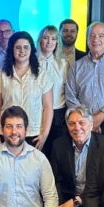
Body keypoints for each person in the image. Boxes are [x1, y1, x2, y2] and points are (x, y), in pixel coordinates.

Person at [0, 31, 53, 150]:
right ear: (11, 50)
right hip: (7, 132)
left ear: (31, 49)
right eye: (18, 47)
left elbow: (48, 107)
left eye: (26, 47)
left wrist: (44, 134)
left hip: (33, 134)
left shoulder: (42, 75)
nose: (22, 51)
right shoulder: (2, 75)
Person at [65, 21, 104, 139]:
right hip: (80, 125)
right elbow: (70, 96)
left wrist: (99, 118)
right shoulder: (76, 66)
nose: (96, 39)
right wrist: (86, 120)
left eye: (101, 36)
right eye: (92, 35)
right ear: (87, 38)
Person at [37, 25, 69, 153]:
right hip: (37, 112)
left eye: (53, 38)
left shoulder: (63, 64)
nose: (49, 42)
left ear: (57, 42)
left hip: (58, 114)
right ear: (40, 40)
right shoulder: (31, 62)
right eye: (46, 38)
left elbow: (67, 89)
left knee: (56, 150)